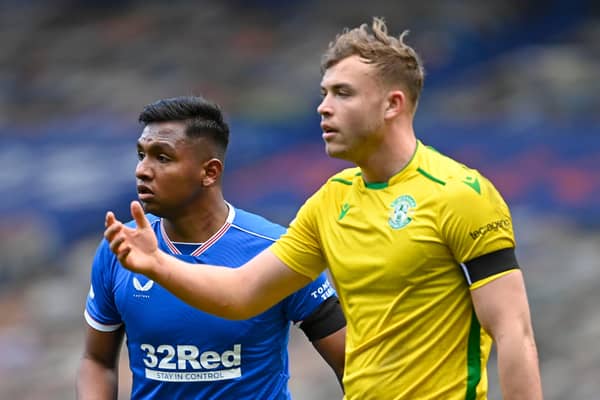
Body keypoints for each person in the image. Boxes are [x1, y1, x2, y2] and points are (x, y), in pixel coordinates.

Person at [103, 18, 543, 400]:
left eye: (343, 93)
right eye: (324, 92)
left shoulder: (460, 194)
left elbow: (514, 334)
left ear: (393, 104)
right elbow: (241, 294)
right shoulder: (331, 201)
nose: (323, 107)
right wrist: (158, 264)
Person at [76, 96, 346, 400]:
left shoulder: (276, 249)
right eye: (142, 155)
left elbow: (349, 364)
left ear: (210, 172)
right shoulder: (119, 249)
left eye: (162, 158)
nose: (142, 170)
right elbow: (96, 361)